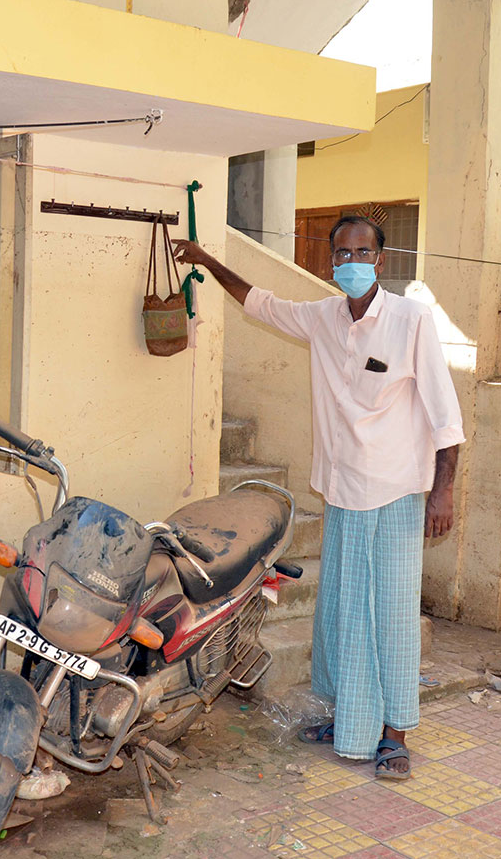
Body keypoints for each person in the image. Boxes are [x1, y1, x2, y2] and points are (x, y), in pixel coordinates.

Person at [173, 217, 463, 780]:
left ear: (381, 259)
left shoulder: (411, 319)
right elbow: (259, 301)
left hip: (398, 494)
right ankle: (349, 717)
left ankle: (394, 734)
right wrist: (206, 260)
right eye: (342, 252)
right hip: (343, 491)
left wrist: (443, 491)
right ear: (331, 260)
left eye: (363, 251)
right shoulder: (324, 316)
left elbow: (446, 418)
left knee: (392, 616)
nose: (352, 261)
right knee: (341, 610)